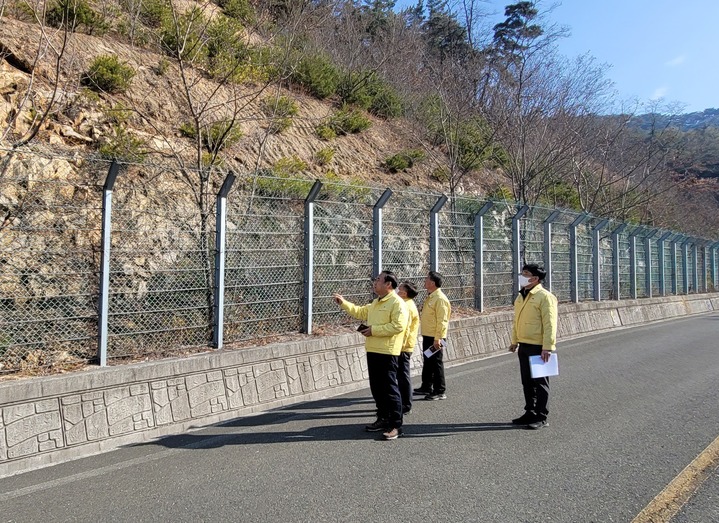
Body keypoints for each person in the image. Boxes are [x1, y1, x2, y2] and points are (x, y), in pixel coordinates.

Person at [333, 270, 408, 441]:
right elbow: (360, 312)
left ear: (388, 284)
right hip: (373, 350)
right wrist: (343, 303)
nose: (375, 282)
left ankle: (396, 425)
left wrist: (374, 330)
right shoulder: (376, 302)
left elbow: (398, 326)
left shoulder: (397, 303)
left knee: (390, 389)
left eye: (379, 280)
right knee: (377, 389)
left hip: (388, 351)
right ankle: (382, 418)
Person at [509, 263, 558, 430]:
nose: (522, 276)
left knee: (541, 383)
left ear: (535, 278)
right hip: (524, 344)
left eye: (526, 273)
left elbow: (550, 323)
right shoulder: (521, 296)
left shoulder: (545, 297)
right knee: (527, 382)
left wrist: (548, 346)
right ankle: (530, 411)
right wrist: (514, 341)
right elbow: (517, 321)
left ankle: (541, 416)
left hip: (539, 346)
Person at [414, 270, 451, 401]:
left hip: (436, 338)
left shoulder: (440, 299)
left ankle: (440, 390)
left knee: (436, 363)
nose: (424, 281)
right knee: (428, 361)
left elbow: (443, 321)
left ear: (432, 283)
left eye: (427, 279)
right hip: (428, 336)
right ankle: (426, 386)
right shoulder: (431, 296)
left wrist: (438, 339)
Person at [397, 281, 420, 415]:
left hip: (403, 346)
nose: (396, 291)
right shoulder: (407, 304)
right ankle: (403, 402)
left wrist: (400, 346)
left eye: (399, 290)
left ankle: (406, 404)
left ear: (404, 293)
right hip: (404, 345)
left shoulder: (406, 306)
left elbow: (405, 330)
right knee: (401, 375)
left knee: (403, 375)